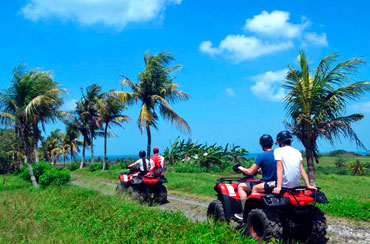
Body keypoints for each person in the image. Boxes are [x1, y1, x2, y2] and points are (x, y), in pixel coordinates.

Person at [234, 134, 277, 220]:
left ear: (261, 145)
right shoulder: (277, 154)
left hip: (267, 183)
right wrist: (261, 170)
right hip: (277, 183)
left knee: (241, 186)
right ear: (272, 143)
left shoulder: (262, 156)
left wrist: (241, 168)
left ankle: (245, 211)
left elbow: (250, 172)